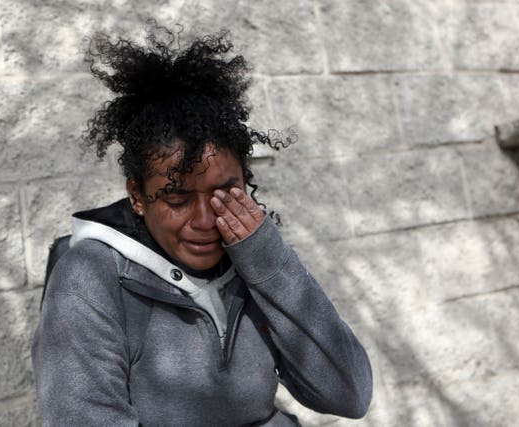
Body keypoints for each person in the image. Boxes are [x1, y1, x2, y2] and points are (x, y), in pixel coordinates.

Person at [32, 25, 372, 426]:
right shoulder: (90, 275)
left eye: (224, 192)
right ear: (138, 196)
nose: (206, 220)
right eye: (176, 199)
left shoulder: (250, 258)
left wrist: (269, 263)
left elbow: (349, 394)